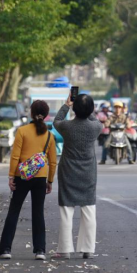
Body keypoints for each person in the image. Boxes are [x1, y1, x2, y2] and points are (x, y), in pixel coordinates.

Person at [0, 100, 57, 261]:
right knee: (38, 213)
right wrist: (50, 180)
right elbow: (52, 161)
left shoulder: (22, 131)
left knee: (14, 211)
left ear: (31, 113)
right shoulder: (49, 136)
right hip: (40, 177)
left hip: (21, 176)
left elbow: (15, 156)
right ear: (46, 115)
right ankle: (40, 250)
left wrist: (11, 176)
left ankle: (5, 249)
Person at [53, 93, 102, 260]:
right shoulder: (96, 127)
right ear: (91, 110)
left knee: (66, 210)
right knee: (89, 210)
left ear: (74, 108)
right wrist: (89, 110)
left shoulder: (66, 126)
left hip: (68, 171)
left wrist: (67, 105)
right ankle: (88, 249)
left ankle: (65, 250)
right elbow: (95, 120)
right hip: (88, 172)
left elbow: (56, 121)